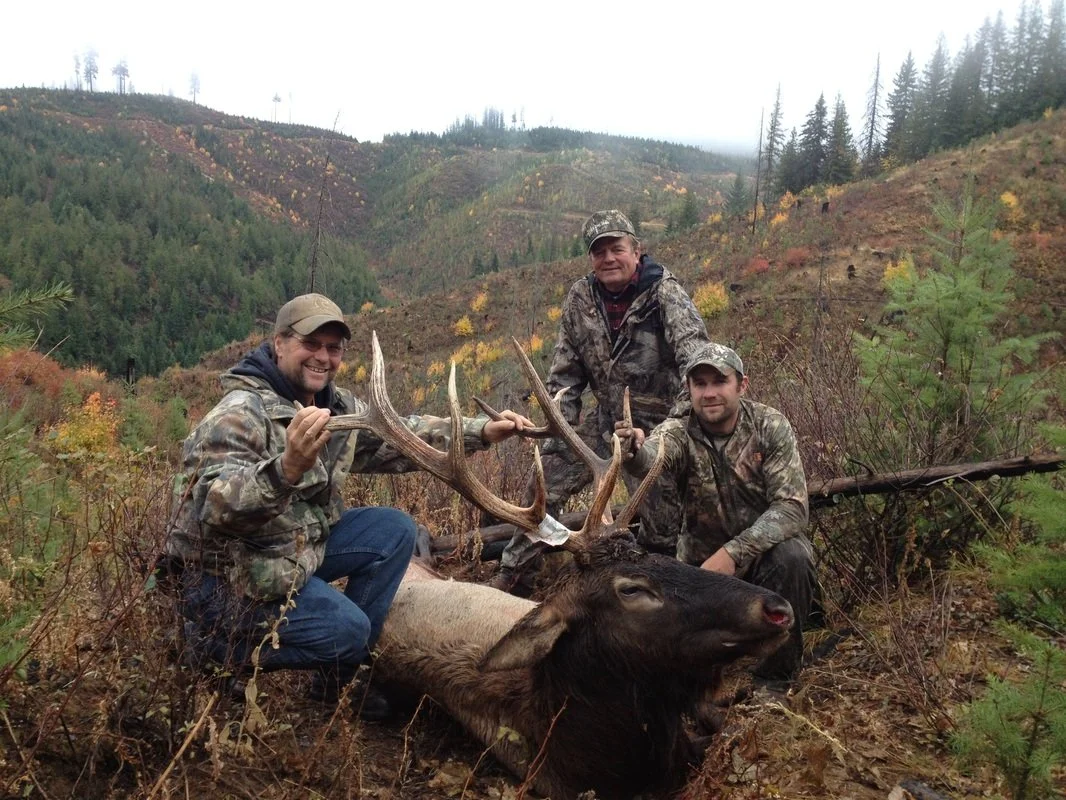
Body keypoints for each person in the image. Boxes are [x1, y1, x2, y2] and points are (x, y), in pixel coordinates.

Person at [166, 293, 531, 719]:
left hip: (287, 550)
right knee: (348, 631)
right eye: (311, 344)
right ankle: (209, 647)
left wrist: (481, 431)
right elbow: (214, 506)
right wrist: (286, 469)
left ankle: (335, 681)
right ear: (279, 343)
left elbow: (401, 435)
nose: (323, 357)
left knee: (392, 530)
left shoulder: (334, 407)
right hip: (225, 579)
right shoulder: (238, 415)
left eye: (333, 348)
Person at [491, 209, 711, 592]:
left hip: (657, 429)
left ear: (636, 250)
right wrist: (557, 422)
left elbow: (697, 362)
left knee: (661, 524)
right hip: (606, 419)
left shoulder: (665, 295)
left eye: (616, 248)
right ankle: (516, 574)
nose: (608, 258)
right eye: (599, 251)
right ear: (591, 258)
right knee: (545, 484)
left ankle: (658, 589)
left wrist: (670, 431)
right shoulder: (580, 298)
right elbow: (566, 374)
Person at [615, 342, 817, 687]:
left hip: (761, 563)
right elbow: (652, 455)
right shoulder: (678, 431)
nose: (709, 393)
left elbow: (792, 508)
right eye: (700, 384)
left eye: (719, 381)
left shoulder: (769, 426)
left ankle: (775, 680)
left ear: (742, 385)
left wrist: (733, 554)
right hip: (701, 570)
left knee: (793, 556)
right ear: (689, 389)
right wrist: (633, 450)